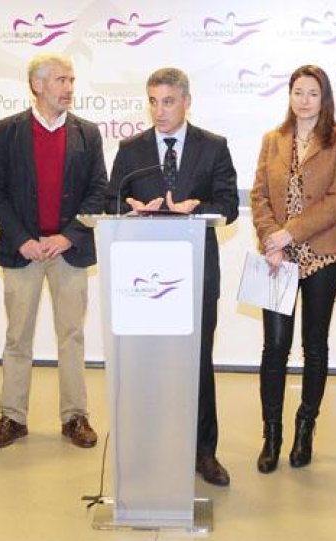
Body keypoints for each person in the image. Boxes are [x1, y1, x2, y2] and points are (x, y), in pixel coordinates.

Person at [107, 67, 239, 486]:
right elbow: (111, 200)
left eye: (167, 101)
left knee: (198, 364)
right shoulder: (131, 149)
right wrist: (130, 208)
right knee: (147, 366)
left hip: (196, 272)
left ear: (186, 101)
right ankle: (146, 449)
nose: (159, 110)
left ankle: (204, 453)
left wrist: (193, 209)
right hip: (145, 278)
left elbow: (228, 206)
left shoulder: (213, 146)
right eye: (152, 101)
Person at [0, 53, 107, 452]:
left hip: (68, 250)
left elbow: (98, 191)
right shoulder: (6, 131)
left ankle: (75, 416)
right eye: (60, 80)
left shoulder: (88, 133)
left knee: (71, 335)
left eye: (71, 80)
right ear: (37, 85)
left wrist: (68, 236)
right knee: (17, 336)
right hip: (23, 251)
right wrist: (22, 239)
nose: (69, 87)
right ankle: (12, 417)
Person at [249, 64, 336, 473]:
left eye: (313, 93)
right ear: (289, 95)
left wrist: (288, 234)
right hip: (276, 258)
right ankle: (271, 435)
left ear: (324, 98)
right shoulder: (272, 139)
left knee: (315, 345)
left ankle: (305, 428)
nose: (304, 100)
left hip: (322, 255)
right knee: (274, 346)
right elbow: (259, 195)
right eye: (298, 92)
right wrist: (270, 239)